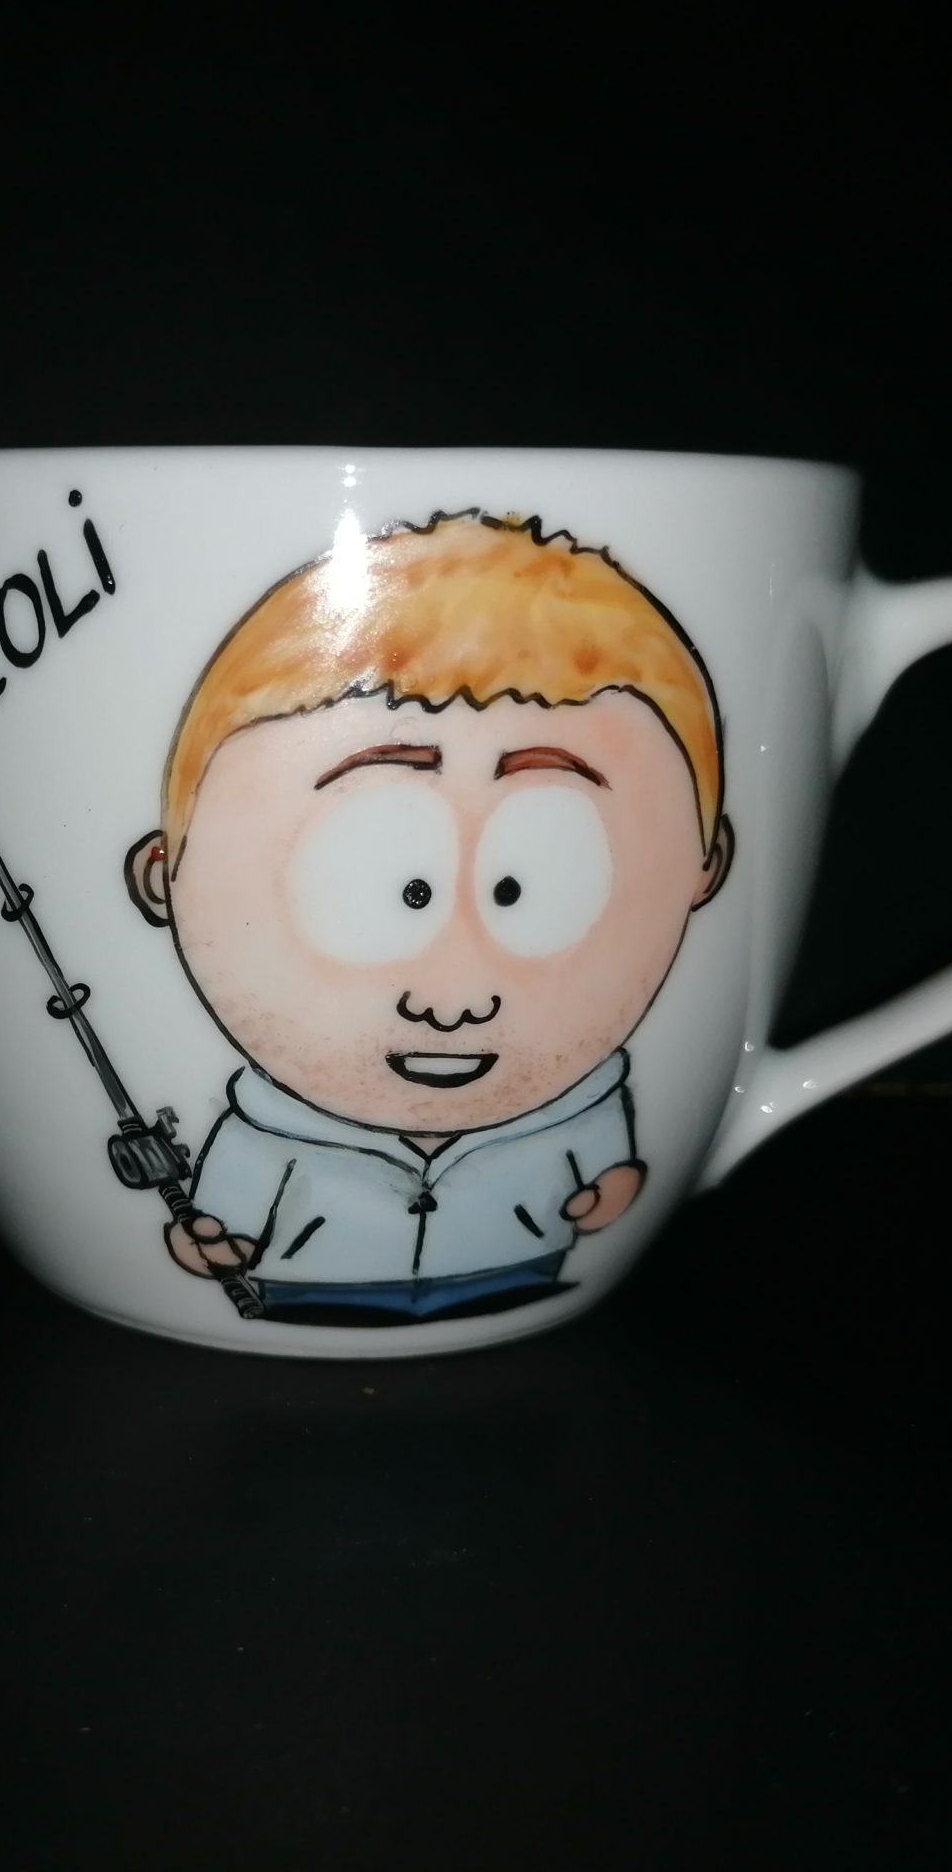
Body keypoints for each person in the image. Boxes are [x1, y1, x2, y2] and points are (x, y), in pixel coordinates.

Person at [122, 510, 733, 1324]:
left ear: (703, 868)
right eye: (377, 887)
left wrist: (617, 1190)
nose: (452, 1002)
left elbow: (610, 1176)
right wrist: (209, 1244)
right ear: (163, 878)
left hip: (521, 1277)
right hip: (314, 1296)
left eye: (531, 887)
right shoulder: (263, 1131)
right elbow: (223, 1228)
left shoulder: (585, 1106)